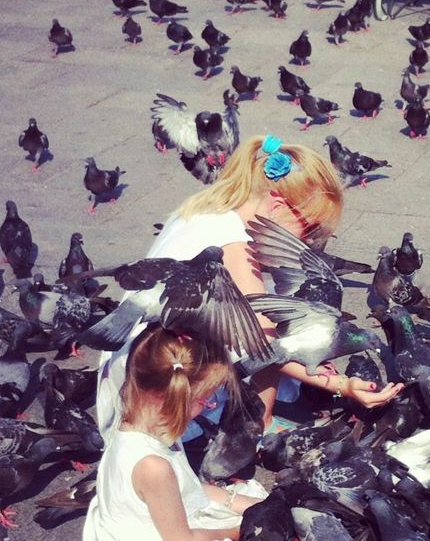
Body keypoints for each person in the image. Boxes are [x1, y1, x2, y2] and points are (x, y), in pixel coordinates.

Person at [94, 136, 403, 448]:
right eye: (310, 230)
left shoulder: (209, 206)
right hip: (154, 391)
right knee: (270, 324)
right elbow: (267, 345)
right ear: (278, 206)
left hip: (133, 352)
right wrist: (343, 386)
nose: (311, 242)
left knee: (268, 305)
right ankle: (258, 426)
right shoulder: (232, 246)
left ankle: (260, 417)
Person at [82, 324, 294, 541]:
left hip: (154, 526)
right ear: (174, 393)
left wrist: (243, 505)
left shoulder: (147, 423)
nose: (210, 405)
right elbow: (180, 540)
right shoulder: (151, 464)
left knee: (263, 515)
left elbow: (190, 491)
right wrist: (236, 532)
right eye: (203, 398)